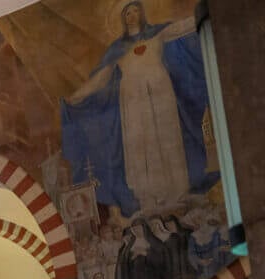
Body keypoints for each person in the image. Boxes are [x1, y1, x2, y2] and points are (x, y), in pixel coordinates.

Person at [62, 1, 216, 216]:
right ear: (122, 19)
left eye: (136, 10)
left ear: (142, 13)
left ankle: (178, 192)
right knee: (140, 145)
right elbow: (101, 78)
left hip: (161, 92)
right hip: (132, 99)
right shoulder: (117, 49)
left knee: (167, 137)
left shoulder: (157, 34)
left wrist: (209, 9)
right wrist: (77, 96)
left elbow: (182, 28)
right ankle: (148, 198)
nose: (132, 15)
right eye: (128, 13)